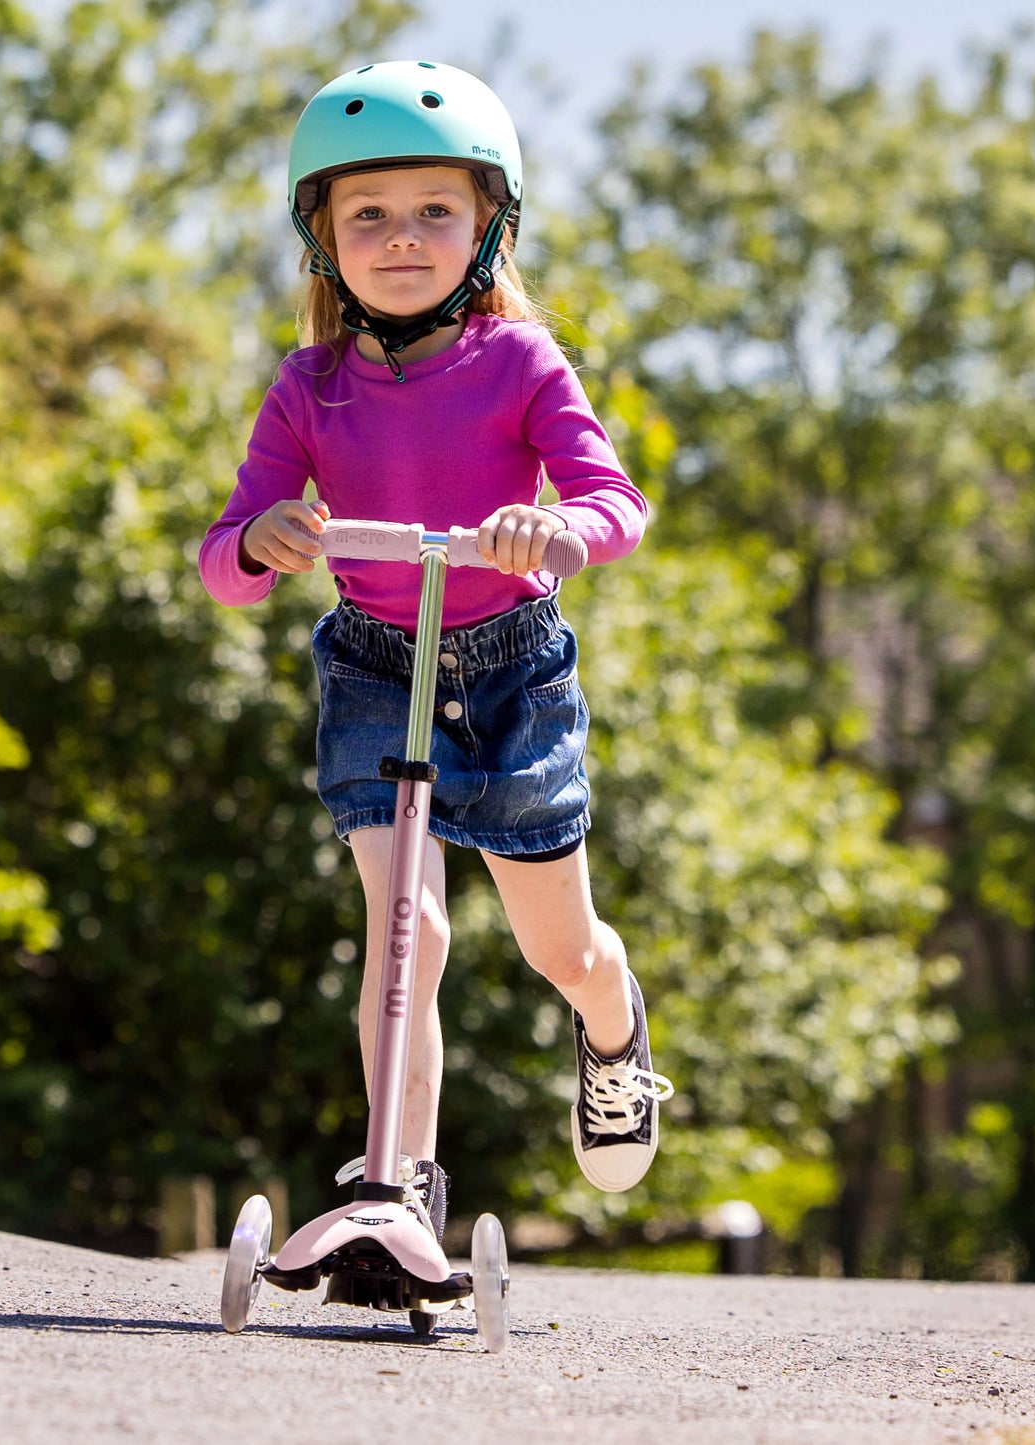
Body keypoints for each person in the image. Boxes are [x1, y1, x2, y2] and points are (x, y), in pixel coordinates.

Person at [199, 60, 673, 1243]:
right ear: (322, 238)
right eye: (367, 213)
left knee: (554, 941)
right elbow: (219, 559)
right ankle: (393, 1184)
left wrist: (554, 526)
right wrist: (260, 538)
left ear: (487, 228)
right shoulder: (308, 388)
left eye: (432, 212)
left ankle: (613, 1025)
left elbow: (616, 501)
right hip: (373, 664)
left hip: (510, 668)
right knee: (408, 920)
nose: (399, 238)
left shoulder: (517, 362)